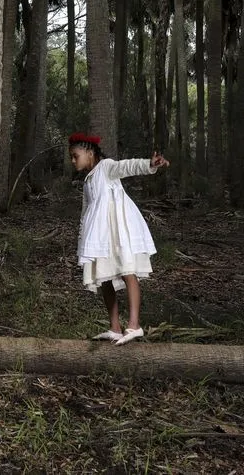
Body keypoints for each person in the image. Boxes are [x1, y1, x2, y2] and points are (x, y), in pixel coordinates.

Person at [68, 133, 169, 346]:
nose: (73, 160)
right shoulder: (88, 180)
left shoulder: (106, 167)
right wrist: (83, 238)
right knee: (104, 277)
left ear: (89, 152)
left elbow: (127, 167)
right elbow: (86, 212)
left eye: (75, 156)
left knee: (127, 271)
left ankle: (134, 325)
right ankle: (114, 327)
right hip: (101, 235)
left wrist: (149, 164)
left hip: (118, 230)